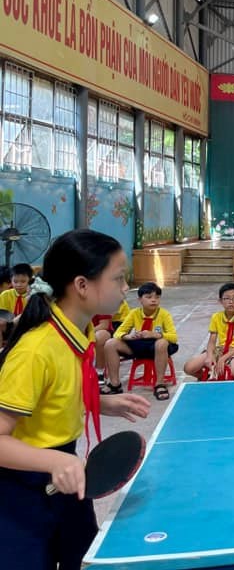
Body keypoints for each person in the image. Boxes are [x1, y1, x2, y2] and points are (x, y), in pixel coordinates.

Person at [0, 229, 150, 569]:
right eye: (118, 278)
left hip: (66, 474)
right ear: (82, 285)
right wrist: (53, 462)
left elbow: (53, 392)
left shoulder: (78, 331)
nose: (125, 287)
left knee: (80, 559)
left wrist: (101, 402)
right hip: (21, 488)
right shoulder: (36, 350)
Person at [101, 283, 179, 400]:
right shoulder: (134, 313)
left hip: (157, 347)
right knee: (110, 343)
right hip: (139, 344)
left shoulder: (164, 314)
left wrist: (155, 334)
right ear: (140, 300)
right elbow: (118, 333)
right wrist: (129, 336)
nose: (153, 300)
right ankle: (115, 384)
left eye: (157, 297)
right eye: (149, 297)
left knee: (162, 343)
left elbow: (173, 337)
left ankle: (159, 384)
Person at [184, 282, 234, 381]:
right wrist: (209, 356)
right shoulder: (216, 317)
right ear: (220, 301)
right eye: (227, 298)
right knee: (189, 368)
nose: (231, 302)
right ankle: (205, 377)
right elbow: (212, 341)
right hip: (220, 349)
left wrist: (223, 358)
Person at [92, 298, 131, 382]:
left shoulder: (104, 300)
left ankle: (100, 372)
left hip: (119, 325)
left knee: (101, 336)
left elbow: (105, 324)